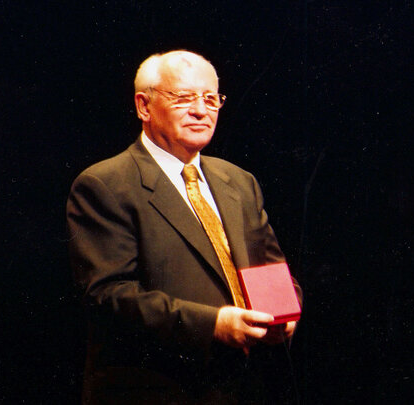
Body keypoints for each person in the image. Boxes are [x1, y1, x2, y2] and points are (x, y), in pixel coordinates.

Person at [67, 50, 301, 404]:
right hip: (160, 391)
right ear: (144, 106)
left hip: (245, 389)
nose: (201, 110)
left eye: (211, 99)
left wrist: (285, 313)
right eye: (184, 98)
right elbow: (109, 296)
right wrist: (215, 325)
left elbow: (271, 269)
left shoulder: (238, 181)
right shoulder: (105, 184)